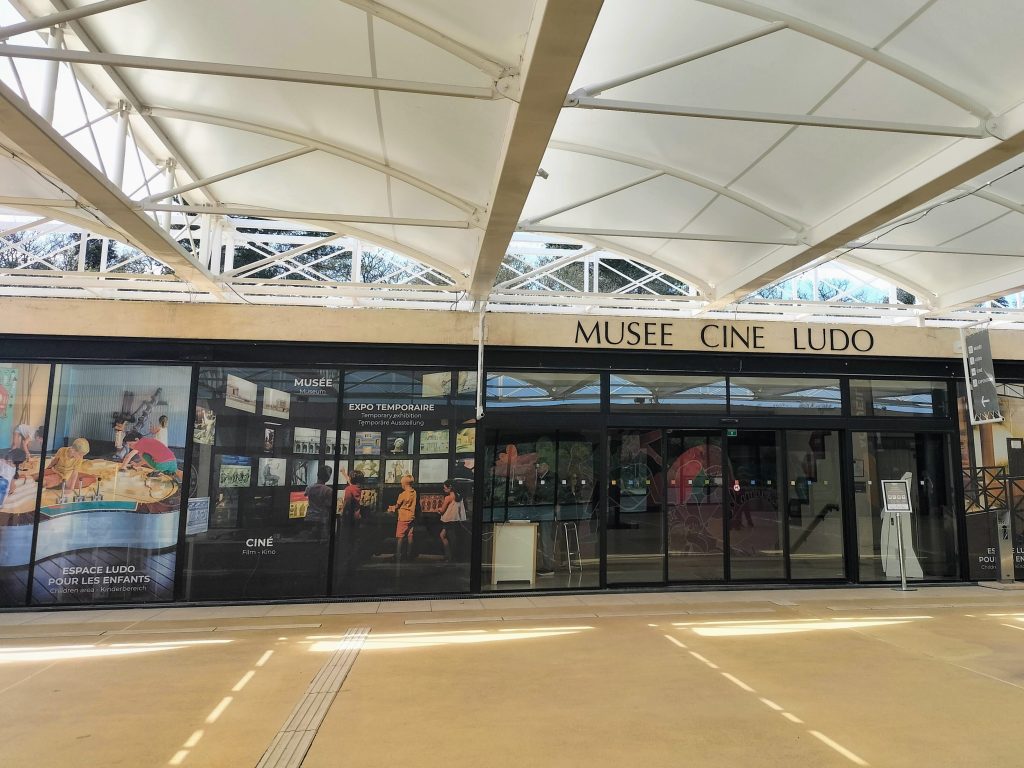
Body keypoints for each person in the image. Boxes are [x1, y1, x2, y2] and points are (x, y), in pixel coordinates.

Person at [388, 474, 417, 561]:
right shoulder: (414, 493)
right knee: (410, 536)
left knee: (400, 537)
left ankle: (398, 555)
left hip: (403, 518)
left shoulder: (402, 495)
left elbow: (397, 506)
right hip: (411, 517)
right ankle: (409, 554)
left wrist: (391, 508)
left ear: (404, 484)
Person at [438, 479, 467, 563]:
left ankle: (449, 557)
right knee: (445, 536)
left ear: (450, 487)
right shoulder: (459, 496)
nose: (444, 489)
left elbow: (442, 510)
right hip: (456, 520)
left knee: (447, 537)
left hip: (448, 520)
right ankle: (449, 556)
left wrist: (438, 509)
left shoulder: (448, 498)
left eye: (445, 488)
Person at [305, 464, 333, 537]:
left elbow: (305, 494)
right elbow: (329, 506)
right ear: (328, 477)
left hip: (309, 517)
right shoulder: (328, 490)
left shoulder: (309, 488)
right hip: (321, 519)